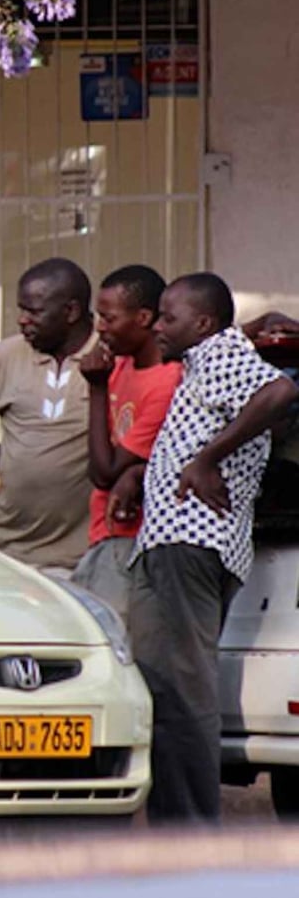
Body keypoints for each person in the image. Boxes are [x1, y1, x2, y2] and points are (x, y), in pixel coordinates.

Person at [116, 273, 299, 824]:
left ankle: (189, 831)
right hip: (179, 542)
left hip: (188, 542)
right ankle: (180, 823)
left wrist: (206, 459)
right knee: (169, 689)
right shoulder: (209, 355)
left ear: (201, 324)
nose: (156, 324)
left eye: (168, 317)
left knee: (181, 693)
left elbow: (281, 392)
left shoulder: (219, 354)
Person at [0, 258, 97, 575]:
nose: (22, 320)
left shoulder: (108, 356)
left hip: (79, 556)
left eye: (34, 311)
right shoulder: (8, 355)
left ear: (70, 312)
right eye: (21, 309)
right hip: (6, 549)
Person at [69, 265, 183, 623]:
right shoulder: (120, 364)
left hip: (132, 538)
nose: (100, 327)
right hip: (103, 535)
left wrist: (98, 389)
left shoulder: (167, 382)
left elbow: (105, 473)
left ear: (144, 318)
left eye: (108, 317)